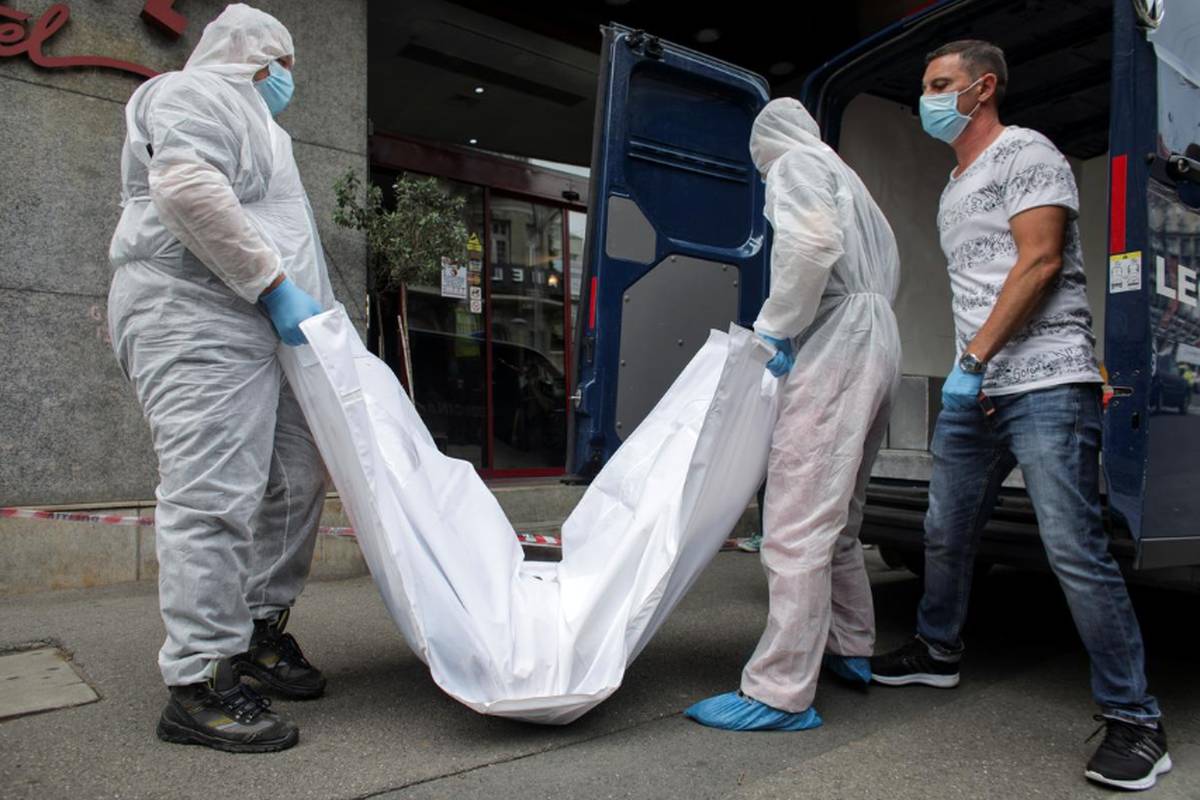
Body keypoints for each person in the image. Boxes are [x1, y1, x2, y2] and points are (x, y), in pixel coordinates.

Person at [869, 40, 1170, 791]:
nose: (928, 99)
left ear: (983, 88)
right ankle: (938, 650)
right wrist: (973, 371)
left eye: (941, 84)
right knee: (944, 531)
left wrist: (972, 361)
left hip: (1047, 383)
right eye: (925, 86)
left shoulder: (1026, 152)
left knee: (1073, 548)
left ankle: (1136, 719)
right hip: (980, 391)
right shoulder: (954, 185)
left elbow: (1039, 261)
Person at [107, 3, 334, 753]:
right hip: (195, 314)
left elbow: (286, 232)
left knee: (296, 478)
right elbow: (185, 190)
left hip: (266, 324)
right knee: (213, 492)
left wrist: (316, 319)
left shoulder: (267, 130)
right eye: (285, 65)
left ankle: (258, 627)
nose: (290, 80)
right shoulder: (194, 92)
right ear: (256, 58)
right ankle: (199, 678)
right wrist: (274, 286)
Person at [684, 98, 902, 731]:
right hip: (879, 339)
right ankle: (850, 646)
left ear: (766, 146)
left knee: (795, 519)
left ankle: (779, 691)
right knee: (840, 520)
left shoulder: (795, 164)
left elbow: (809, 245)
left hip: (839, 342)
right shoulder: (853, 183)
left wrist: (775, 327)